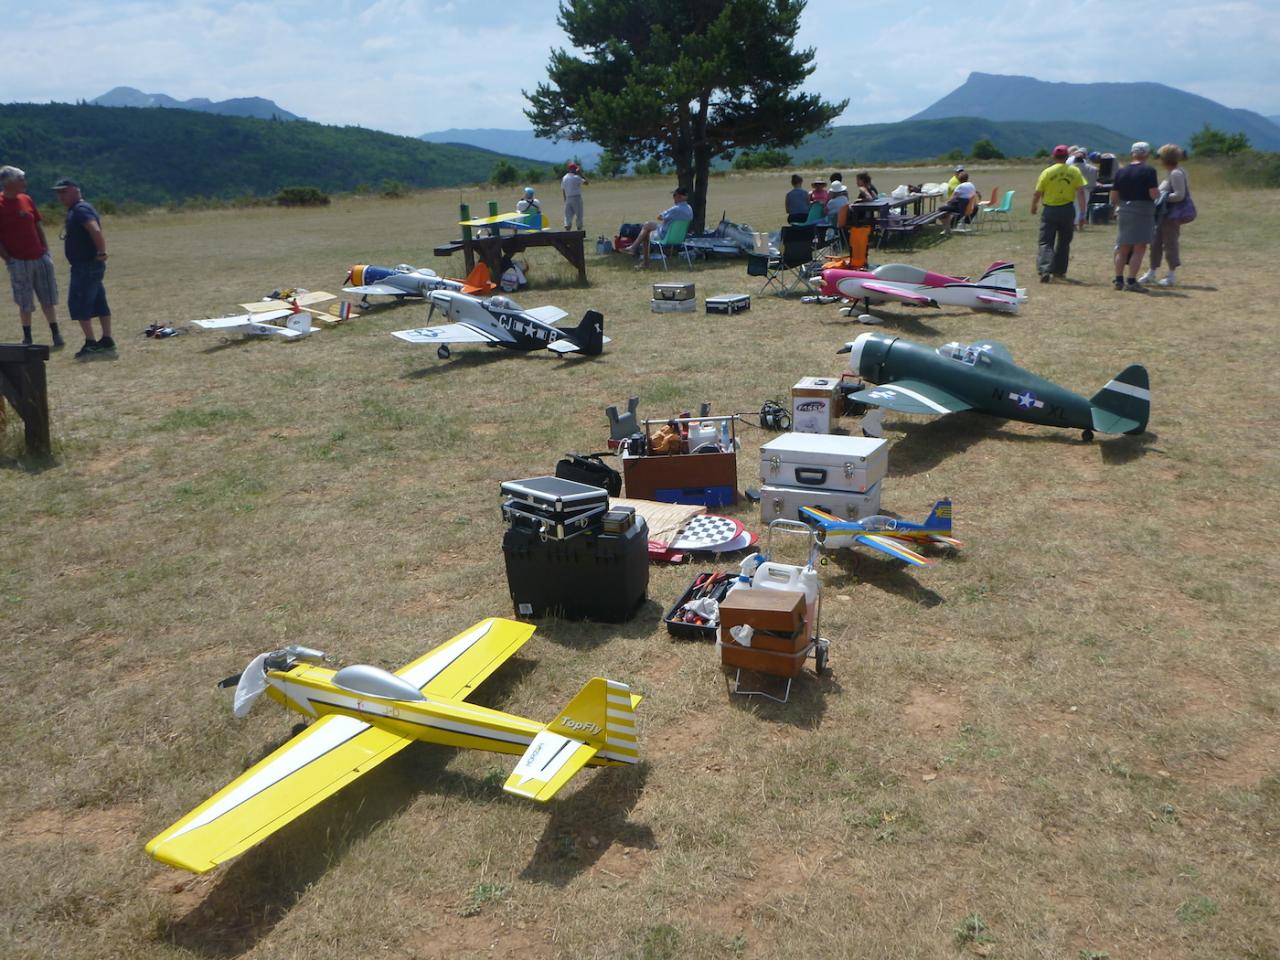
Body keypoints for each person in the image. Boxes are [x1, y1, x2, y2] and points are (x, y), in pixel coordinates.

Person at [0, 166, 63, 348]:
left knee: (48, 298)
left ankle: (56, 334)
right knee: (24, 301)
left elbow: (37, 224)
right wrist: (8, 259)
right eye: (21, 179)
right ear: (9, 182)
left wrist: (45, 250)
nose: (25, 183)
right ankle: (27, 337)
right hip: (18, 261)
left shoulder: (26, 199)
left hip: (39, 258)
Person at [54, 178, 114, 359]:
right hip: (89, 264)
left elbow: (95, 230)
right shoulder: (79, 209)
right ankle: (106, 339)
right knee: (98, 301)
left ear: (74, 190)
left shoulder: (80, 210)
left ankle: (91, 342)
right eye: (58, 193)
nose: (60, 197)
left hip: (86, 265)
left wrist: (102, 252)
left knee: (80, 302)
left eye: (63, 192)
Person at [1030, 145, 1087, 282]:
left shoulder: (1047, 172)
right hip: (1067, 209)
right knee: (1064, 242)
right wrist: (1082, 213)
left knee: (1046, 241)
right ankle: (1059, 271)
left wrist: (1034, 206)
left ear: (1054, 156)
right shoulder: (1074, 171)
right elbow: (1080, 192)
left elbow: (1038, 192)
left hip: (1050, 210)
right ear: (1067, 157)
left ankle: (1045, 270)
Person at [1109, 142, 1160, 291]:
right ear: (1146, 154)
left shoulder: (1121, 171)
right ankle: (1131, 281)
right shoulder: (1149, 171)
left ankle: (1118, 279)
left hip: (1124, 209)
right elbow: (1153, 194)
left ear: (1132, 153)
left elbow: (1114, 195)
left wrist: (1121, 206)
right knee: (1139, 247)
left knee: (1123, 247)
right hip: (1143, 210)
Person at [1140, 144, 1189, 287]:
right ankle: (1152, 271)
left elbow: (1180, 195)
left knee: (1170, 244)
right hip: (1162, 214)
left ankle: (1171, 275)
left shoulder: (1176, 173)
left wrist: (1162, 197)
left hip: (1170, 215)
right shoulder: (1173, 172)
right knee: (1155, 243)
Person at [630, 186, 694, 269]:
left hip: (665, 236)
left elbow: (660, 217)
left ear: (679, 196)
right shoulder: (689, 209)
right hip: (680, 238)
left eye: (674, 195)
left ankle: (638, 254)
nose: (673, 198)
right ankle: (634, 249)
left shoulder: (675, 209)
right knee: (648, 226)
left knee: (646, 229)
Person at [1074, 149, 1100, 229]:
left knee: (1074, 207)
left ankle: (1073, 224)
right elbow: (1095, 180)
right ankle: (1081, 224)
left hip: (1073, 190)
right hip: (1087, 190)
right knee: (1083, 207)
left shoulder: (1071, 168)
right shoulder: (1093, 169)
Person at [560, 163, 588, 231]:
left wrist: (565, 199)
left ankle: (567, 232)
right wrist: (580, 173)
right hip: (576, 198)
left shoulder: (564, 177)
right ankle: (579, 231)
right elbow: (586, 183)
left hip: (568, 198)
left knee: (568, 215)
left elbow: (563, 189)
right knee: (579, 215)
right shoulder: (577, 177)